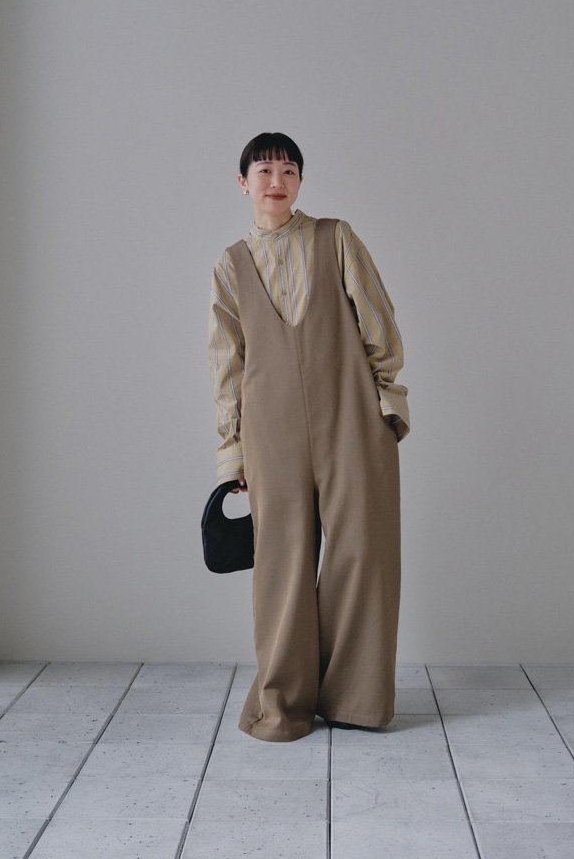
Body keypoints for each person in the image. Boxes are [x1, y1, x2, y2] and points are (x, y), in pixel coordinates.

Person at [207, 132, 410, 742]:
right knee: (282, 562)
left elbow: (379, 324)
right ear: (243, 182)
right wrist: (232, 454)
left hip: (352, 416)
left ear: (300, 181)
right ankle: (283, 704)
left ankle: (355, 699)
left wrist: (387, 405)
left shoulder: (335, 238)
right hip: (269, 430)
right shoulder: (230, 265)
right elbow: (227, 365)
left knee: (362, 554)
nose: (277, 181)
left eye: (289, 170)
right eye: (265, 170)